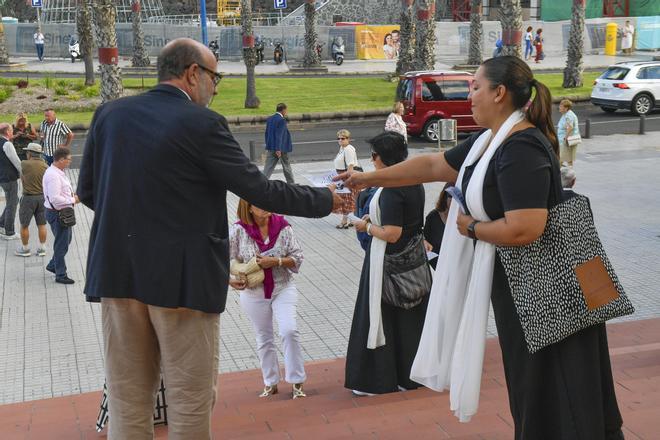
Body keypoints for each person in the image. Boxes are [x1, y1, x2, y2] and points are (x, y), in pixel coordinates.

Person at [339, 56, 624, 439]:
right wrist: (367, 178)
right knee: (536, 391)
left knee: (559, 390)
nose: (469, 94)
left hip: (548, 292)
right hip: (525, 291)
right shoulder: (488, 142)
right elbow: (431, 166)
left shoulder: (521, 148)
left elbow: (526, 228)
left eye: (475, 86)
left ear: (500, 93)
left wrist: (472, 227)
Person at [76, 38, 340, 440]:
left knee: (128, 405)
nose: (216, 88)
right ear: (193, 73)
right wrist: (327, 199)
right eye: (216, 78)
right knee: (189, 404)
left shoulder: (109, 115)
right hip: (182, 285)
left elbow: (91, 192)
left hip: (117, 277)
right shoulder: (201, 123)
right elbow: (261, 191)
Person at [345, 131, 429, 396]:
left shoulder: (392, 188)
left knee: (377, 319)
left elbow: (392, 232)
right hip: (413, 260)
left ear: (381, 158)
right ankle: (409, 375)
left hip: (386, 262)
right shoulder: (414, 180)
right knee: (409, 320)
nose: (371, 161)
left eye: (373, 156)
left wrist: (366, 225)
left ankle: (377, 380)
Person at [230, 200, 307, 399]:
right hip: (254, 292)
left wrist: (277, 261)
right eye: (259, 203)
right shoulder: (239, 230)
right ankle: (270, 382)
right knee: (263, 337)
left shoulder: (283, 226)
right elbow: (223, 257)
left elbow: (298, 257)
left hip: (283, 287)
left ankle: (297, 381)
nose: (265, 205)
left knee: (289, 330)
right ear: (249, 208)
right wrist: (230, 280)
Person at [43, 147, 77, 284]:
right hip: (58, 213)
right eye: (68, 159)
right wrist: (73, 200)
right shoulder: (53, 175)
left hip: (62, 212)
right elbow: (55, 198)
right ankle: (60, 274)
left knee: (65, 241)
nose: (70, 162)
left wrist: (71, 196)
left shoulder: (58, 172)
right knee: (61, 244)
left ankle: (53, 265)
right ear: (61, 159)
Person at [15, 143, 48, 257]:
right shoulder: (45, 165)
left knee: (24, 225)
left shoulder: (24, 164)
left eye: (27, 152)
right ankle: (42, 248)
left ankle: (25, 249)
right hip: (42, 198)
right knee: (42, 224)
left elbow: (21, 177)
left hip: (28, 198)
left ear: (29, 153)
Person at [333, 129, 361, 229]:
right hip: (342, 175)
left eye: (343, 138)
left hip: (346, 176)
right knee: (348, 199)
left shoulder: (349, 149)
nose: (340, 140)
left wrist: (347, 180)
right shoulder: (342, 148)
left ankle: (345, 221)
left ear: (348, 139)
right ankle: (352, 220)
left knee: (346, 199)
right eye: (339, 138)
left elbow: (350, 166)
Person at [263, 103, 295, 184]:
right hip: (281, 148)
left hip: (271, 147)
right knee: (286, 166)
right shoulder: (281, 120)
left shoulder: (270, 119)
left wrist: (268, 145)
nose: (286, 112)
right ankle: (291, 184)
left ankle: (262, 183)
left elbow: (267, 133)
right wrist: (278, 149)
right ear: (283, 110)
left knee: (268, 168)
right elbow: (279, 135)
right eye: (286, 110)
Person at [0, 123, 21, 241]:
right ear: (7, 132)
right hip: (9, 178)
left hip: (2, 177)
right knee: (12, 204)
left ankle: (1, 223)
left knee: (12, 201)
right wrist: (24, 174)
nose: (12, 131)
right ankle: (9, 232)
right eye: (11, 130)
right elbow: (16, 161)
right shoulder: (7, 144)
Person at [423, 184, 451, 270]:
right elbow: (426, 242)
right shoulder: (433, 217)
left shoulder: (464, 219)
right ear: (445, 198)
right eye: (451, 197)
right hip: (438, 267)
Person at [557, 98, 580, 167]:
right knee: (568, 159)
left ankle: (560, 174)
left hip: (567, 141)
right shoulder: (567, 114)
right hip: (567, 140)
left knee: (561, 158)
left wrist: (565, 138)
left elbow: (570, 127)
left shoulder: (568, 115)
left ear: (566, 108)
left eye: (561, 106)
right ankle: (570, 173)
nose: (559, 107)